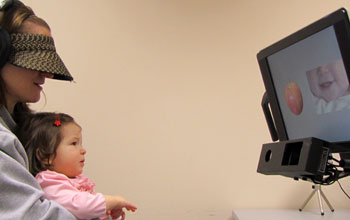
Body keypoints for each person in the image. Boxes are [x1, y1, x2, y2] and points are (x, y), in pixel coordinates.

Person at [0, 0, 128, 219]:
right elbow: (33, 215)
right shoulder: (3, 140)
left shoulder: (17, 131)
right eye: (36, 61)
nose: (47, 74)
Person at [17, 112, 137, 220]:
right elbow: (79, 206)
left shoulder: (73, 181)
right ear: (44, 156)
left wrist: (106, 212)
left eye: (80, 144)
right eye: (74, 143)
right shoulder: (49, 182)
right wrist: (113, 201)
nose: (83, 150)